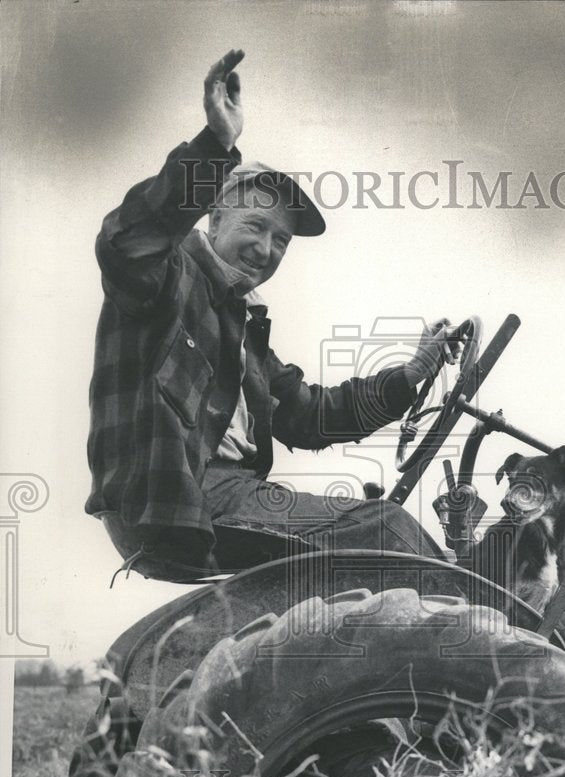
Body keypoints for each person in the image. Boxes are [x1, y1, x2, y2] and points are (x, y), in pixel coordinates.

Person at [86, 50, 464, 575]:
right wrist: (215, 146)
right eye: (255, 226)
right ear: (215, 217)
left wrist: (413, 373)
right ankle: (518, 646)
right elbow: (127, 240)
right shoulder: (164, 278)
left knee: (368, 565)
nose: (266, 249)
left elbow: (312, 414)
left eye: (281, 239)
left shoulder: (244, 329)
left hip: (230, 496)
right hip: (173, 500)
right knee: (384, 526)